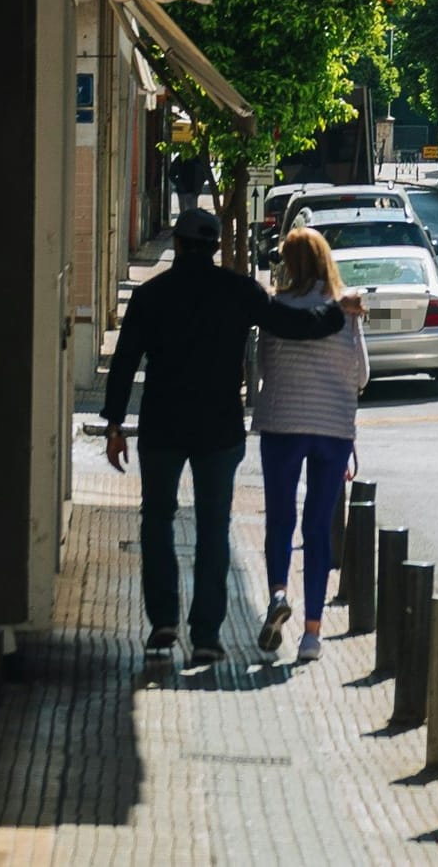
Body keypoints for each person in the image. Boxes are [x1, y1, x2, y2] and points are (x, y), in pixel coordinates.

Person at [100, 207, 363, 667]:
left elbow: (124, 361)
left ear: (178, 245)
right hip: (218, 428)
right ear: (217, 247)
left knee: (156, 520)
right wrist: (338, 311)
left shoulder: (151, 294)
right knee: (212, 528)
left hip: (162, 424)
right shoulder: (240, 292)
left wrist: (116, 424)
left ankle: (163, 624)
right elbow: (293, 325)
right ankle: (206, 635)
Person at [252, 228, 368, 663]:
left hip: (282, 422)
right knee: (318, 527)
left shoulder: (277, 308)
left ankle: (279, 593)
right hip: (333, 428)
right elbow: (360, 376)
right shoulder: (346, 309)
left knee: (280, 517)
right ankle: (312, 636)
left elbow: (263, 366)